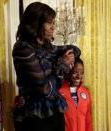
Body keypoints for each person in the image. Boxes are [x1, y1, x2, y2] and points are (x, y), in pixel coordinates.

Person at [12, 2, 81, 131]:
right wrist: (63, 64)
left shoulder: (47, 47)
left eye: (53, 23)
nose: (53, 27)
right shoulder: (23, 48)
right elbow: (45, 90)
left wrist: (69, 55)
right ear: (36, 23)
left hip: (54, 112)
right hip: (34, 117)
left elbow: (75, 50)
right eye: (49, 23)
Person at [59, 58, 93, 131]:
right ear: (68, 71)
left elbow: (88, 121)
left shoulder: (86, 93)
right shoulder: (59, 92)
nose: (79, 76)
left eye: (81, 73)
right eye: (75, 72)